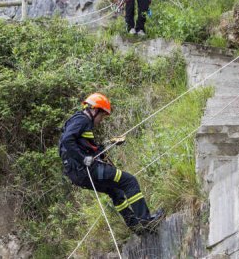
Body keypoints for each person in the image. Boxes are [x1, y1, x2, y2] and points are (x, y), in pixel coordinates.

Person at [59, 93, 162, 233]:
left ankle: (136, 226)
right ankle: (146, 221)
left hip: (78, 175)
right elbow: (67, 140)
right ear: (95, 110)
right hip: (86, 169)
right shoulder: (82, 120)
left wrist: (110, 144)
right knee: (129, 181)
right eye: (102, 116)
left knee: (115, 190)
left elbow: (86, 147)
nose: (101, 120)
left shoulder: (81, 122)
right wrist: (83, 158)